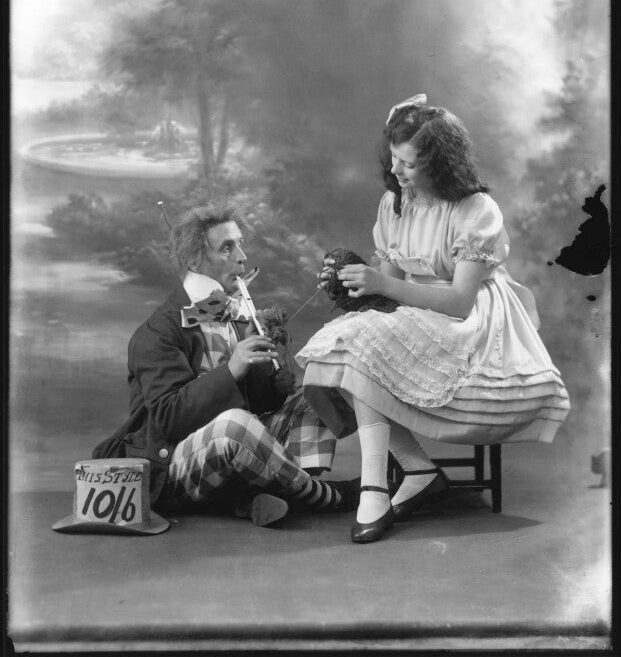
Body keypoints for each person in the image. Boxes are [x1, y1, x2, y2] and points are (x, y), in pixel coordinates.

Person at [296, 94, 570, 544]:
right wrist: (355, 285)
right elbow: (388, 282)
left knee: (361, 345)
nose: (398, 172)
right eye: (394, 159)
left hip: (469, 322)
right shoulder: (395, 202)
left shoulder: (474, 209)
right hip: (414, 308)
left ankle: (380, 487)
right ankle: (414, 473)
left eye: (410, 164)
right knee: (350, 342)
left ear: (441, 164)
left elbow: (461, 301)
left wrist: (382, 288)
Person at [93, 201, 358, 527]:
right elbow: (169, 419)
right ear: (193, 259)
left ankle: (258, 493)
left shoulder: (230, 314)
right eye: (227, 248)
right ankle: (322, 495)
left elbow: (258, 404)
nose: (242, 258)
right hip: (173, 464)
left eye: (241, 245)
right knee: (235, 424)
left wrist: (270, 376)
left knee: (313, 396)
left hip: (232, 452)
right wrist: (232, 367)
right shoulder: (158, 331)